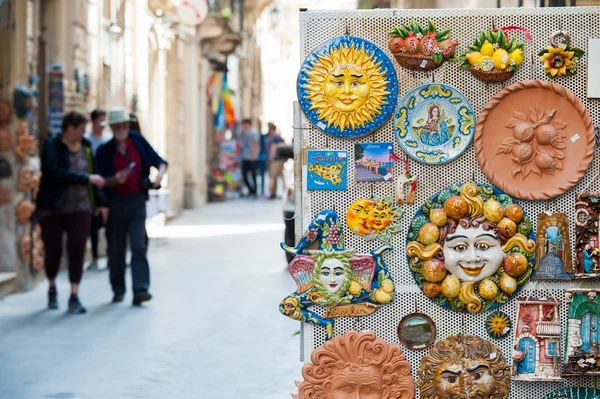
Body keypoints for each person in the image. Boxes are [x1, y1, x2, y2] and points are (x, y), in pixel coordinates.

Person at [36, 111, 108, 313]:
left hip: (81, 207)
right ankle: (52, 288)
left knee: (77, 248)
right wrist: (86, 179)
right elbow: (54, 172)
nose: (84, 132)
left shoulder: (85, 147)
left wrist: (101, 202)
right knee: (54, 251)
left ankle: (74, 295)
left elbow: (94, 176)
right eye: (82, 128)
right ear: (71, 128)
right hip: (54, 208)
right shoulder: (52, 146)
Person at [96, 108, 167, 305]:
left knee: (138, 244)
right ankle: (118, 288)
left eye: (124, 126)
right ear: (112, 127)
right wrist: (114, 180)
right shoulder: (104, 151)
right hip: (116, 203)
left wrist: (159, 175)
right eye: (117, 126)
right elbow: (100, 181)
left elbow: (159, 162)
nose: (121, 129)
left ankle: (140, 289)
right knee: (116, 249)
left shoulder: (137, 141)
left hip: (136, 201)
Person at [84, 109, 112, 271]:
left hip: (106, 185)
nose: (102, 125)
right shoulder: (87, 140)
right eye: (100, 121)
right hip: (91, 185)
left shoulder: (108, 140)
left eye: (104, 121)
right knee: (94, 223)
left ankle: (109, 255)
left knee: (109, 223)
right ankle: (94, 257)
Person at [239, 119, 259, 198]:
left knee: (253, 174)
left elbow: (255, 144)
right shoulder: (243, 133)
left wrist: (253, 155)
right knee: (244, 174)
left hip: (252, 157)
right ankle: (250, 190)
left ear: (249, 124)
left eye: (245, 125)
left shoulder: (254, 132)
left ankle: (255, 191)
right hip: (244, 156)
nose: (244, 127)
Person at [267, 123, 285, 199]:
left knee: (273, 176)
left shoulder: (274, 138)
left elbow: (273, 149)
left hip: (276, 160)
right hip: (281, 159)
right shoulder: (279, 137)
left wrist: (271, 158)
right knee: (281, 176)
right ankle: (284, 192)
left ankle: (269, 192)